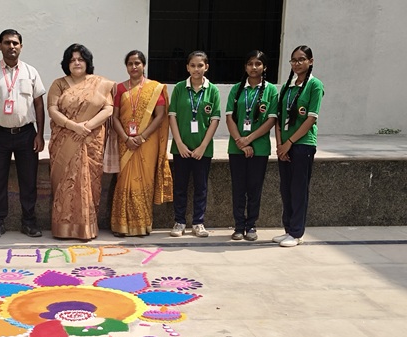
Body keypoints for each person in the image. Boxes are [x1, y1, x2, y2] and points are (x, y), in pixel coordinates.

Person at [0, 29, 47, 239]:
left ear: (21, 47)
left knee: (29, 180)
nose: (11, 46)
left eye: (15, 43)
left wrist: (40, 134)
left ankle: (29, 222)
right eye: (7, 42)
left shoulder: (31, 72)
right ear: (0, 46)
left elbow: (39, 105)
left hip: (27, 134)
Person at [46, 43, 115, 240]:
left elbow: (108, 108)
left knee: (89, 184)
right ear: (66, 63)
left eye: (80, 59)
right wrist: (73, 126)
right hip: (65, 139)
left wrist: (87, 126)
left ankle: (87, 227)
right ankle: (63, 228)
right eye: (72, 60)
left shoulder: (100, 83)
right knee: (64, 185)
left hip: (90, 140)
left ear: (87, 62)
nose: (76, 63)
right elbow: (52, 109)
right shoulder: (59, 84)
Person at [109, 50, 172, 237]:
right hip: (125, 142)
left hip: (147, 143)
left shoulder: (155, 88)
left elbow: (160, 116)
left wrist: (142, 137)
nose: (134, 66)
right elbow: (114, 117)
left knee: (144, 182)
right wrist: (126, 138)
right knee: (124, 182)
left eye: (137, 63)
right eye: (130, 63)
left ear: (144, 65)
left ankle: (142, 224)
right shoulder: (120, 89)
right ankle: (121, 225)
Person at [225, 50, 279, 242]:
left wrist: (249, 139)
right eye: (250, 63)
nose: (254, 67)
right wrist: (240, 141)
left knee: (255, 188)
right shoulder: (237, 89)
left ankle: (252, 225)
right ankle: (239, 226)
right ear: (245, 67)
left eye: (258, 64)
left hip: (259, 148)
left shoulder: (271, 90)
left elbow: (271, 120)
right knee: (238, 188)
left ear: (265, 67)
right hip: (237, 147)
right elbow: (229, 118)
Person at [274, 45, 324, 248]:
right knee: (286, 188)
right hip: (285, 146)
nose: (297, 63)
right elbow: (279, 118)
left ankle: (296, 233)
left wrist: (289, 143)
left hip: (302, 145)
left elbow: (311, 119)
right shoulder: (288, 86)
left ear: (310, 61)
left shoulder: (315, 85)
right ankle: (288, 229)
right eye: (294, 60)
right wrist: (280, 144)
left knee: (298, 189)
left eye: (301, 59)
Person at [168, 51, 220, 238]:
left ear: (206, 67)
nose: (196, 69)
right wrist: (179, 143)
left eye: (200, 65)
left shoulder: (212, 90)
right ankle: (179, 221)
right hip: (181, 148)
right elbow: (172, 117)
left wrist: (203, 146)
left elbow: (214, 120)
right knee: (180, 187)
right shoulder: (180, 88)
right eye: (193, 65)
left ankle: (198, 222)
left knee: (201, 187)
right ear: (187, 67)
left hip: (202, 149)